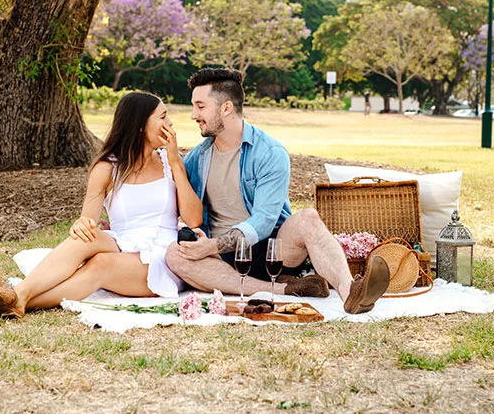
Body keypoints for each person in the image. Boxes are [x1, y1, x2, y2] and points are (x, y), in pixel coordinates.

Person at [166, 69, 390, 314]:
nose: (193, 115)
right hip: (222, 260)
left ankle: (351, 292)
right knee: (173, 256)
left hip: (272, 249)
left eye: (200, 106)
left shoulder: (269, 152)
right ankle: (286, 289)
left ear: (226, 108)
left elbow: (263, 221)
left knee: (308, 219)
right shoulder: (197, 158)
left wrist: (211, 246)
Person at [0, 91, 202, 318]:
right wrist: (82, 225)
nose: (169, 123)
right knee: (86, 235)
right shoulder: (106, 168)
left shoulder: (169, 163)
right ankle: (16, 297)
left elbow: (193, 220)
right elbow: (88, 222)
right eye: (163, 117)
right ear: (141, 124)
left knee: (102, 263)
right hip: (123, 242)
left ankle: (12, 297)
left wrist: (174, 162)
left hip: (162, 256)